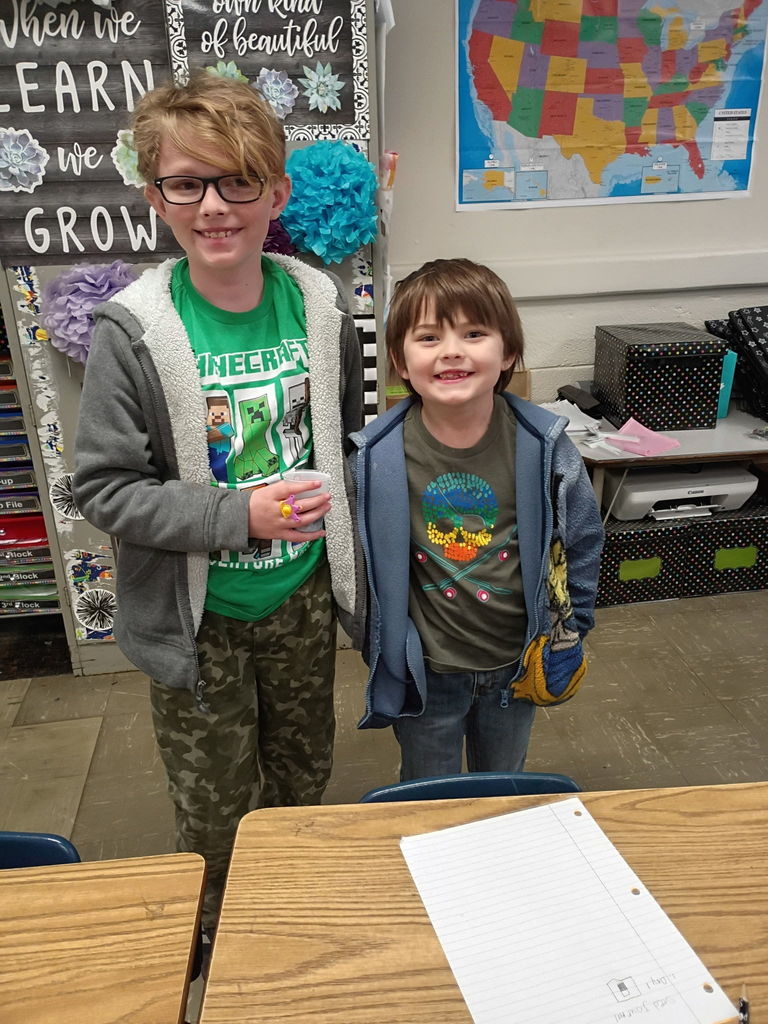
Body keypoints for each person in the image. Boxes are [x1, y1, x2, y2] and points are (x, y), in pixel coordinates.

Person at [72, 72, 364, 931]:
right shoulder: (135, 332)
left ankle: (293, 908)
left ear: (276, 190)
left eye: (238, 181)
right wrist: (239, 518)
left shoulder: (319, 308)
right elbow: (104, 488)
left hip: (302, 599)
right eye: (186, 183)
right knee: (214, 802)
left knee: (304, 771)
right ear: (154, 194)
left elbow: (345, 448)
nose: (213, 207)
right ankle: (222, 928)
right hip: (197, 619)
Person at [347, 259, 603, 780]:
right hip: (427, 671)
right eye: (428, 337)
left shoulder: (545, 448)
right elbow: (357, 565)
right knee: (430, 793)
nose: (451, 351)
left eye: (473, 332)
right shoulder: (375, 458)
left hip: (515, 663)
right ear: (399, 358)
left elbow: (583, 539)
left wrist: (569, 628)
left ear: (507, 350)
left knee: (503, 787)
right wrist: (375, 641)